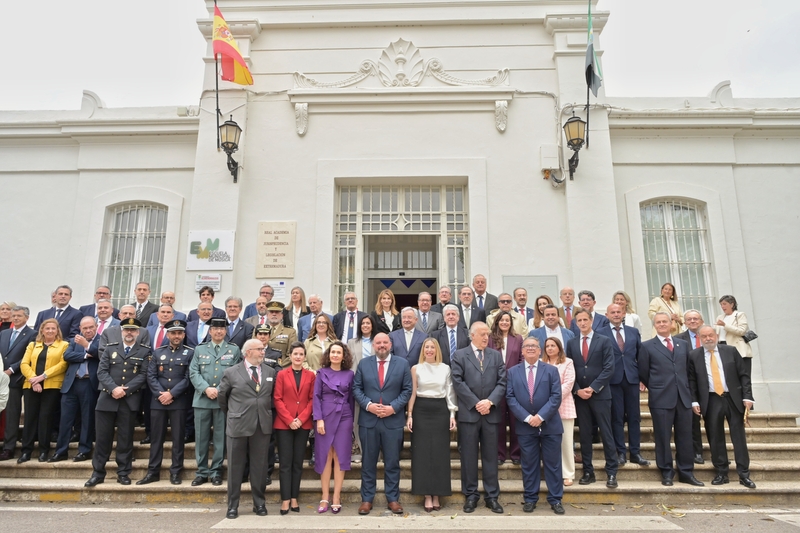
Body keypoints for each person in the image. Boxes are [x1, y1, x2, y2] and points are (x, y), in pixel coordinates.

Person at [639, 311, 703, 487]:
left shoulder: (682, 344)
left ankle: (686, 472)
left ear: (671, 324)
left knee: (685, 437)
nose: (662, 324)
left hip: (683, 398)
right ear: (655, 325)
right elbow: (643, 372)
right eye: (658, 322)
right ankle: (666, 472)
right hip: (661, 398)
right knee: (663, 436)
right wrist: (656, 386)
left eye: (665, 321)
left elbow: (688, 371)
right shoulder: (647, 346)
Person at [85, 318, 150, 487]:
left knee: (125, 438)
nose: (129, 332)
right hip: (107, 398)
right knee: (102, 439)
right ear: (122, 331)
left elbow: (143, 375)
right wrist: (114, 388)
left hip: (129, 400)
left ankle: (123, 473)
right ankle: (98, 473)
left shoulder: (144, 351)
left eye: (133, 330)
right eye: (126, 330)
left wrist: (125, 389)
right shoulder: (110, 349)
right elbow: (102, 371)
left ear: (138, 333)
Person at [353, 333, 413, 515]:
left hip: (392, 421)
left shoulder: (402, 364)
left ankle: (393, 499)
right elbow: (356, 388)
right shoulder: (364, 364)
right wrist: (369, 405)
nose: (381, 345)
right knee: (368, 462)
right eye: (378, 342)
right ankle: (367, 499)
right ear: (373, 345)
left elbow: (407, 389)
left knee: (392, 462)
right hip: (369, 421)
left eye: (384, 342)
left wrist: (393, 408)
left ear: (390, 344)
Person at [688, 326, 756, 489]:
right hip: (711, 400)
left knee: (738, 437)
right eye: (704, 337)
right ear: (700, 338)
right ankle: (721, 472)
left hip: (733, 399)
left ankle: (744, 474)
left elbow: (744, 375)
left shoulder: (730, 351)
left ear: (716, 335)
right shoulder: (694, 356)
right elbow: (692, 381)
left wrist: (747, 396)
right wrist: (694, 401)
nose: (708, 339)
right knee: (715, 437)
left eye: (710, 335)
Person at [451, 322, 507, 514]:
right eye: (482, 334)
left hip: (490, 414)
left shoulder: (496, 355)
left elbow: (502, 382)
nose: (486, 338)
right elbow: (457, 382)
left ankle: (492, 496)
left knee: (491, 457)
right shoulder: (459, 355)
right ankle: (471, 495)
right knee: (468, 457)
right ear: (472, 335)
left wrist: (489, 402)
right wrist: (476, 403)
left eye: (488, 334)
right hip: (469, 414)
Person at [218, 338, 278, 519]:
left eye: (263, 349)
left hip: (262, 425)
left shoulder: (270, 371)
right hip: (238, 424)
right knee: (235, 467)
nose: (263, 351)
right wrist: (233, 413)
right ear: (248, 352)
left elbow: (273, 396)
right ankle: (233, 505)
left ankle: (259, 503)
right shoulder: (231, 372)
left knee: (259, 467)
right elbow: (222, 396)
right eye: (259, 349)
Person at [506, 337, 565, 515]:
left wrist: (540, 416)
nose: (530, 348)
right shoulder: (512, 372)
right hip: (525, 427)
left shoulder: (551, 370)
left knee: (553, 464)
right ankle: (530, 498)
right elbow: (510, 398)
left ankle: (555, 499)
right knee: (529, 464)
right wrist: (527, 417)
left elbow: (556, 397)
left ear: (540, 351)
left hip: (550, 425)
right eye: (527, 346)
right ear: (522, 351)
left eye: (534, 346)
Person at [565, 308, 618, 488]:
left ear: (591, 321)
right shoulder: (571, 343)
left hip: (601, 395)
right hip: (580, 397)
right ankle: (588, 471)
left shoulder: (604, 341)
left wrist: (593, 388)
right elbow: (569, 368)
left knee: (606, 433)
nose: (582, 323)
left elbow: (609, 368)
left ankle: (612, 472)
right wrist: (578, 390)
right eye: (578, 320)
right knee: (585, 435)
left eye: (585, 320)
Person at [137, 319, 194, 486]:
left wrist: (172, 394)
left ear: (183, 335)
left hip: (179, 401)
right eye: (173, 333)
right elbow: (151, 376)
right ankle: (153, 471)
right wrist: (161, 393)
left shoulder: (190, 353)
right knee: (156, 438)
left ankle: (176, 472)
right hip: (158, 401)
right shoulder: (157, 353)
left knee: (178, 438)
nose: (176, 336)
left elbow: (188, 378)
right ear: (168, 335)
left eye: (179, 333)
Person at [189, 317, 242, 487]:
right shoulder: (199, 349)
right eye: (215, 329)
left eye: (222, 329)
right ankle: (202, 472)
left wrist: (219, 389)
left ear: (226, 331)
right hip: (202, 400)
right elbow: (193, 372)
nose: (218, 331)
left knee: (220, 438)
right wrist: (206, 388)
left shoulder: (233, 350)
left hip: (222, 401)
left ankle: (217, 470)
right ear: (210, 331)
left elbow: (235, 372)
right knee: (201, 437)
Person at [406, 338, 457, 512]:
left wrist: (452, 413)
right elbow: (412, 393)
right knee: (422, 453)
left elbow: (450, 391)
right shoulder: (416, 368)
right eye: (426, 347)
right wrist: (410, 415)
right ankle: (427, 495)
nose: (429, 350)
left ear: (437, 350)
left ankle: (438, 494)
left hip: (440, 410)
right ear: (423, 350)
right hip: (421, 410)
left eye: (432, 347)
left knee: (440, 454)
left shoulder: (445, 368)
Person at [597, 304, 650, 467]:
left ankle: (635, 452)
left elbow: (640, 356)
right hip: (612, 380)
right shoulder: (600, 333)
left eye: (618, 311)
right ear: (607, 315)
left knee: (634, 417)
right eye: (612, 312)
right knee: (617, 417)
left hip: (632, 379)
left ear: (624, 313)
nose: (616, 314)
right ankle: (620, 452)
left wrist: (643, 378)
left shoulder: (633, 332)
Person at [50, 316, 101, 463]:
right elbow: (67, 355)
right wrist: (86, 354)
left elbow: (100, 354)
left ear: (96, 326)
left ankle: (84, 450)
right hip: (71, 384)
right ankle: (61, 451)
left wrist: (87, 345)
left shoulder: (101, 340)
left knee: (87, 419)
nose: (88, 330)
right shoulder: (73, 340)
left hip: (88, 384)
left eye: (91, 327)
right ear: (80, 329)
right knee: (65, 420)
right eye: (85, 328)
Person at [18, 318, 69, 463]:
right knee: (30, 418)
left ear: (57, 330)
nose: (50, 331)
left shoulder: (64, 345)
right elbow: (24, 364)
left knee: (45, 418)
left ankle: (43, 451)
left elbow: (62, 364)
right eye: (47, 328)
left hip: (51, 386)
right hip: (31, 385)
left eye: (53, 328)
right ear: (42, 330)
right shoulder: (33, 345)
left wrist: (42, 377)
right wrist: (33, 379)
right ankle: (26, 451)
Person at [313, 341, 355, 514]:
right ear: (328, 355)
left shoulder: (350, 374)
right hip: (325, 415)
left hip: (344, 416)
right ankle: (325, 496)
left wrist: (351, 421)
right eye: (332, 352)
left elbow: (352, 399)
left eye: (338, 352)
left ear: (344, 355)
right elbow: (316, 396)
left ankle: (336, 496)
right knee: (325, 455)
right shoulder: (321, 373)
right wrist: (319, 419)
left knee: (340, 455)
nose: (335, 355)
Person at [274, 342, 316, 514]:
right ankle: (285, 499)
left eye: (301, 354)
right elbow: (277, 399)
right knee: (285, 463)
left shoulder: (311, 376)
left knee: (298, 463)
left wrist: (301, 419)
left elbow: (312, 399)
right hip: (284, 424)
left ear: (304, 357)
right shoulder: (282, 374)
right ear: (290, 356)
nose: (298, 357)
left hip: (303, 424)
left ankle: (294, 498)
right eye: (295, 354)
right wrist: (290, 419)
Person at [0, 306, 35, 461]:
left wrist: (12, 370)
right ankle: (5, 445)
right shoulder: (4, 333)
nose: (15, 318)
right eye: (13, 316)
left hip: (18, 378)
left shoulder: (32, 334)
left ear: (26, 318)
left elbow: (29, 356)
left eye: (19, 316)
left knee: (14, 414)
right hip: (2, 378)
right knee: (5, 415)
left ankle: (11, 447)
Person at [488, 311, 522, 465]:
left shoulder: (518, 338)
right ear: (497, 322)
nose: (504, 323)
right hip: (496, 384)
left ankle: (516, 454)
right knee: (499, 420)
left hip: (514, 384)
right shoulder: (490, 338)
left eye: (507, 320)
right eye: (502, 320)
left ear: (511, 322)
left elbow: (521, 360)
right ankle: (500, 454)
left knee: (516, 420)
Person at [675, 309, 709, 464]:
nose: (693, 321)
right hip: (689, 385)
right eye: (689, 319)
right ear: (685, 322)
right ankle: (697, 452)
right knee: (693, 422)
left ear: (701, 321)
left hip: (710, 384)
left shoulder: (709, 336)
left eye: (696, 318)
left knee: (712, 421)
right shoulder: (678, 339)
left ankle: (717, 453)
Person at [542, 337, 576, 486]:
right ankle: (550, 472)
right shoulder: (541, 364)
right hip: (544, 409)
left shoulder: (567, 362)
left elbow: (568, 384)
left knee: (566, 442)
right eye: (547, 346)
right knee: (548, 443)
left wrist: (551, 396)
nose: (550, 348)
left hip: (564, 407)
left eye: (553, 345)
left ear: (559, 347)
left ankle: (568, 474)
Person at [347, 314, 378, 460]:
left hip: (375, 382)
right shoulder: (352, 342)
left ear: (372, 325)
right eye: (363, 323)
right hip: (357, 383)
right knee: (357, 418)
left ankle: (375, 452)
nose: (365, 325)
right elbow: (348, 362)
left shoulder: (378, 341)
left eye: (368, 323)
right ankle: (358, 449)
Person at [715, 295, 754, 379]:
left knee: (743, 376)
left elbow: (742, 331)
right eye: (721, 304)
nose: (722, 306)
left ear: (732, 304)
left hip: (738, 348)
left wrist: (725, 325)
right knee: (729, 376)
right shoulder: (720, 317)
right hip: (722, 346)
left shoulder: (739, 315)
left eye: (724, 304)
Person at [261, 301, 298, 368]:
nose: (274, 314)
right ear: (267, 315)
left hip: (281, 369)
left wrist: (279, 367)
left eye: (277, 312)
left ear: (282, 315)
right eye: (271, 312)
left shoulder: (290, 332)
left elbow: (292, 354)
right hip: (262, 369)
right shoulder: (258, 330)